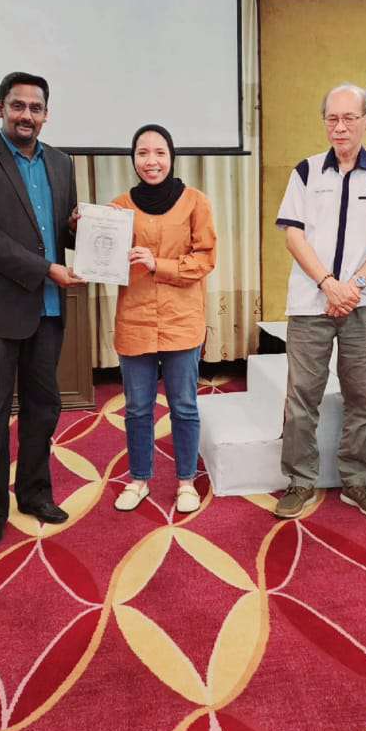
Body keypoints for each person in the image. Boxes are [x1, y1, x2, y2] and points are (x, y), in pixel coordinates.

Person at [0, 71, 82, 547]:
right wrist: (46, 269)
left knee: (44, 408)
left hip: (47, 309)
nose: (27, 115)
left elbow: (60, 234)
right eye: (18, 105)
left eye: (36, 107)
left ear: (46, 114)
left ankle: (34, 493)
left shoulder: (62, 163)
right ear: (0, 108)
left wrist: (81, 230)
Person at [273, 83, 366, 521]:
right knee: (301, 397)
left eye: (349, 118)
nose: (340, 127)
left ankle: (357, 480)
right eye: (332, 118)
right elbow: (294, 235)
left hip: (365, 302)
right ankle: (299, 480)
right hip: (311, 303)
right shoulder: (307, 171)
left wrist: (354, 286)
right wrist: (329, 284)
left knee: (361, 396)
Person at [110, 124, 217, 514]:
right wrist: (86, 232)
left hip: (181, 320)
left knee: (184, 406)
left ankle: (186, 481)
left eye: (159, 152)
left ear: (171, 157)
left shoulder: (195, 202)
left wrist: (159, 264)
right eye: (142, 153)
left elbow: (205, 260)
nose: (151, 161)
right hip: (135, 320)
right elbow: (105, 259)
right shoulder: (118, 207)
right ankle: (139, 479)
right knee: (137, 408)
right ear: (133, 158)